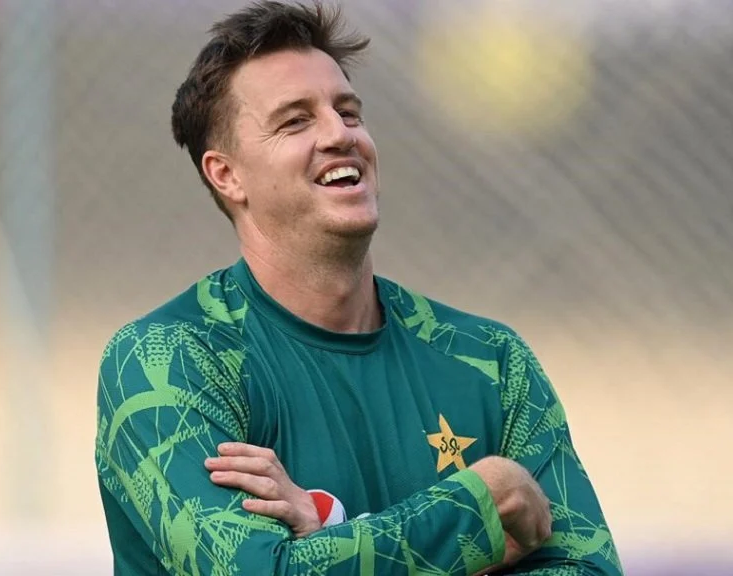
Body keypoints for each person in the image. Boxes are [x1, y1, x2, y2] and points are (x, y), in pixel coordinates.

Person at [94, 1, 622, 574]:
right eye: (295, 121)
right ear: (227, 174)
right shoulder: (166, 362)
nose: (339, 134)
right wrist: (483, 502)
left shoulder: (491, 361)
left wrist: (332, 530)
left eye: (348, 112)